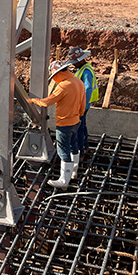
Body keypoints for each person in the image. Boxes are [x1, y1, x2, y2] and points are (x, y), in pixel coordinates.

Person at [31, 60, 86, 189]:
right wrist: (79, 115)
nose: (54, 80)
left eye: (54, 76)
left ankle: (64, 181)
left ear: (58, 73)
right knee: (74, 145)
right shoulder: (79, 82)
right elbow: (83, 104)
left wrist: (33, 100)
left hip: (64, 123)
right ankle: (74, 172)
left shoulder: (64, 86)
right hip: (76, 121)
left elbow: (47, 102)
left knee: (63, 150)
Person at [67, 46, 99, 157]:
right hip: (82, 104)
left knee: (78, 128)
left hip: (82, 105)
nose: (73, 64)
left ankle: (80, 151)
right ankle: (85, 147)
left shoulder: (86, 72)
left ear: (80, 60)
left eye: (74, 62)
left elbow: (88, 89)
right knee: (83, 126)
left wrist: (83, 106)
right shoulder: (83, 68)